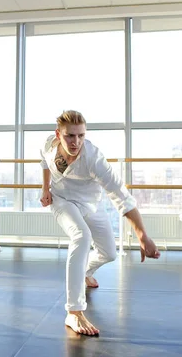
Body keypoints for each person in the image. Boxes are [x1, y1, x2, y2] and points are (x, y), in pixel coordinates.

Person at [40, 110, 160, 336]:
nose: (76, 142)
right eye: (70, 136)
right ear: (58, 134)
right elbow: (44, 163)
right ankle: (74, 312)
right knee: (81, 236)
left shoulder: (94, 159)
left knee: (109, 253)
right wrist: (45, 189)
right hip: (62, 200)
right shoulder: (49, 144)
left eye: (81, 136)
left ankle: (84, 271)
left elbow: (121, 196)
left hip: (91, 204)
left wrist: (142, 234)